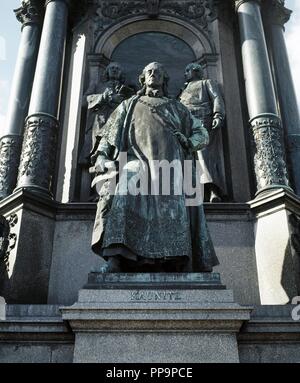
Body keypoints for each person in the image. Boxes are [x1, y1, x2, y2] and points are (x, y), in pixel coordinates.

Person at [91, 62, 219, 273]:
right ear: (143, 77)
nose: (153, 74)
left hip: (171, 166)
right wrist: (102, 156)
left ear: (164, 79)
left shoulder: (179, 108)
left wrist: (188, 142)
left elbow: (202, 134)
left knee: (172, 209)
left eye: (158, 71)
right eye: (149, 71)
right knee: (122, 195)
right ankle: (116, 258)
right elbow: (108, 133)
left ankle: (173, 260)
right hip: (136, 162)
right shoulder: (129, 104)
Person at [78, 62, 134, 200]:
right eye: (112, 68)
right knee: (100, 155)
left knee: (118, 155)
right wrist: (105, 97)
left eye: (117, 68)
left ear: (121, 74)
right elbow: (84, 100)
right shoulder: (98, 86)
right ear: (107, 71)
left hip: (119, 126)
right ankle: (97, 192)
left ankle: (117, 191)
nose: (115, 70)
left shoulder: (126, 89)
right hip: (101, 125)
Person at [179, 63, 226, 202]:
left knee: (204, 156)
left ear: (196, 71)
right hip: (185, 123)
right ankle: (194, 192)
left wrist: (218, 115)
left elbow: (217, 98)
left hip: (202, 120)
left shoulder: (207, 82)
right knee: (188, 158)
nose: (185, 73)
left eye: (187, 70)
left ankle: (213, 190)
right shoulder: (183, 89)